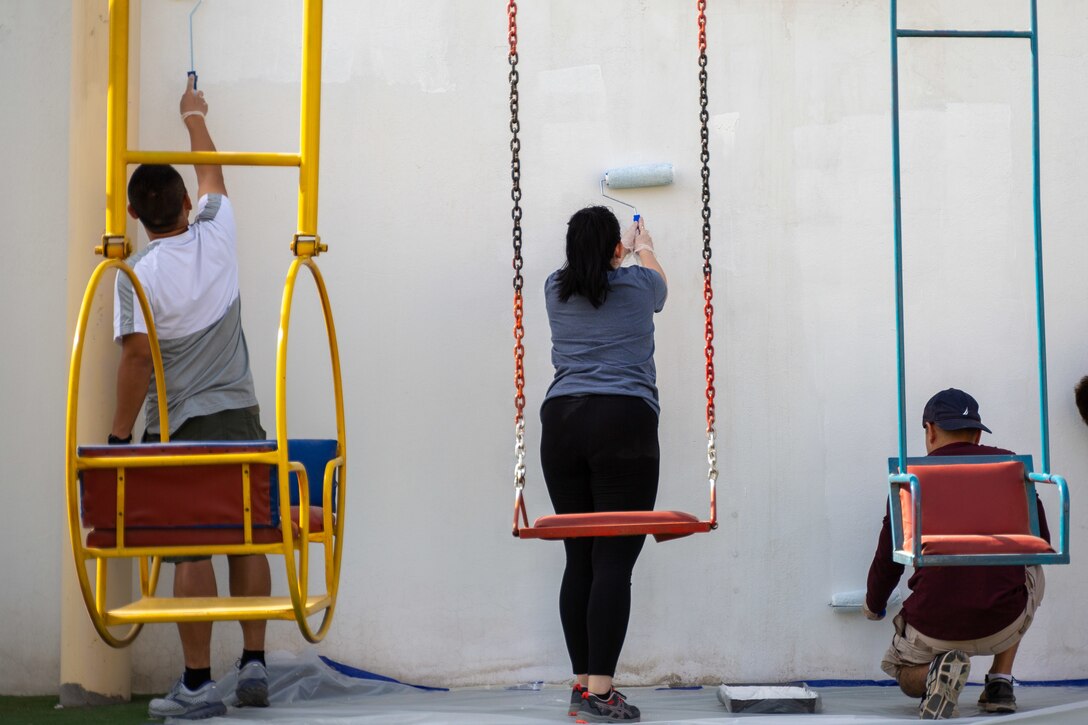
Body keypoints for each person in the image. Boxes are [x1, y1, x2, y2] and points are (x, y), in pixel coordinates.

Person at [110, 77, 270, 720]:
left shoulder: (137, 276)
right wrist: (195, 116)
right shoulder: (217, 233)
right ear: (185, 204)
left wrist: (119, 440)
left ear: (135, 217)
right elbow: (214, 176)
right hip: (242, 415)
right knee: (249, 538)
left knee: (192, 547)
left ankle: (200, 685)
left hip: (181, 427)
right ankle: (254, 664)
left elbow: (137, 360)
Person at [539, 206, 667, 723]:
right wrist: (643, 244)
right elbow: (660, 284)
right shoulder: (638, 286)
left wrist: (616, 250)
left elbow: (587, 271)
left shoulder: (553, 287)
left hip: (562, 422)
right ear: (616, 249)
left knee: (581, 558)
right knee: (614, 562)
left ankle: (582, 685)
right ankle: (601, 692)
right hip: (624, 422)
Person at [864, 388, 1048, 720]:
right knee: (1031, 565)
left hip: (932, 626)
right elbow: (1041, 539)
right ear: (978, 433)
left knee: (903, 671)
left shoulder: (910, 479)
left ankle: (933, 674)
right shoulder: (1010, 467)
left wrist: (874, 605)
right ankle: (1000, 682)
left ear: (930, 430)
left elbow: (888, 557)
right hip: (1001, 622)